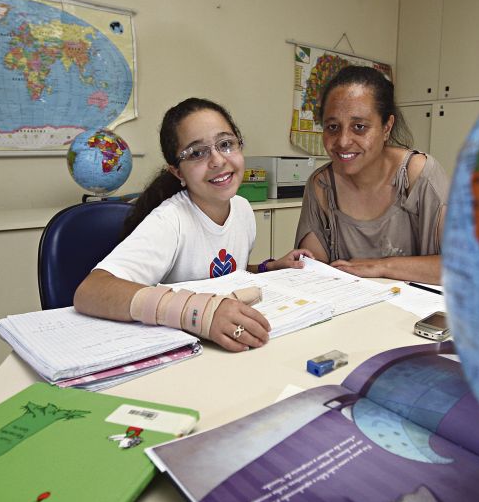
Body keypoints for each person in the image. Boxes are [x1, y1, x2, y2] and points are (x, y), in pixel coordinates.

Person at [74, 98, 311, 352]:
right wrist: (199, 312)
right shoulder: (170, 221)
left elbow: (217, 272)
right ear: (178, 172)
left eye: (226, 144)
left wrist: (267, 267)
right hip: (179, 351)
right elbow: (90, 291)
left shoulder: (242, 208)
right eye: (197, 153)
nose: (218, 160)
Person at [295, 66, 449, 284]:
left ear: (387, 127)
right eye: (333, 127)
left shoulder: (419, 175)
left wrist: (379, 266)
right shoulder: (321, 185)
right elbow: (312, 270)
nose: (343, 141)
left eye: (359, 127)